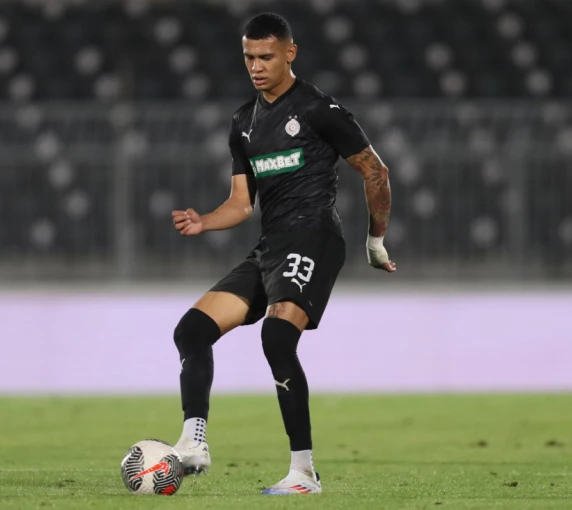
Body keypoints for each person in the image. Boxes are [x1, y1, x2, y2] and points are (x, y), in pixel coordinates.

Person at [169, 13, 394, 495]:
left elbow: (376, 171)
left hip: (315, 237)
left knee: (276, 337)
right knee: (191, 331)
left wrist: (375, 240)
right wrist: (205, 220)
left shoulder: (318, 109)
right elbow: (240, 203)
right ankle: (193, 442)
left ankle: (303, 472)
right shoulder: (243, 123)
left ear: (290, 53)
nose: (256, 66)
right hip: (271, 246)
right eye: (249, 57)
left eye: (266, 56)